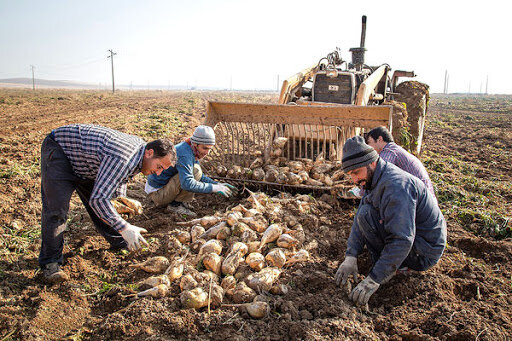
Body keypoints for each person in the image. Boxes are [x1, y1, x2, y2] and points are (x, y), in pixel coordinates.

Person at [39, 124, 177, 283]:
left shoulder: (140, 154)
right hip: (60, 151)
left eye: (162, 170)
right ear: (150, 153)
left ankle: (118, 241)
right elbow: (99, 199)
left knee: (103, 205)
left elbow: (120, 177)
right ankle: (50, 263)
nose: (158, 172)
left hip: (85, 163)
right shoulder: (124, 157)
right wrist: (124, 227)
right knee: (57, 211)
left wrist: (120, 198)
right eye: (159, 166)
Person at [335, 136, 446, 305]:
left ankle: (397, 268)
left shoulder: (396, 187)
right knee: (364, 213)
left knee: (370, 218)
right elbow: (360, 218)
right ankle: (389, 263)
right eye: (351, 175)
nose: (354, 180)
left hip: (424, 251)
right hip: (415, 240)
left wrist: (374, 278)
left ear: (372, 163)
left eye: (356, 172)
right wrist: (351, 255)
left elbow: (402, 239)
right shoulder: (374, 179)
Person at [145, 125, 236, 217]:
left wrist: (217, 184)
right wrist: (213, 188)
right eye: (205, 148)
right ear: (196, 144)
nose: (207, 152)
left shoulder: (191, 148)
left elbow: (200, 177)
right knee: (195, 171)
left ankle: (179, 202)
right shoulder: (184, 154)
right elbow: (187, 183)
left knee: (196, 170)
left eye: (210, 149)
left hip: (164, 188)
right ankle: (175, 206)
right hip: (157, 194)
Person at [365, 126, 435, 198]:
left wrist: (363, 190)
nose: (369, 147)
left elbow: (379, 174)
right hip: (424, 195)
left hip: (419, 198)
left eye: (369, 143)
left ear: (380, 139)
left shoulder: (389, 152)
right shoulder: (395, 149)